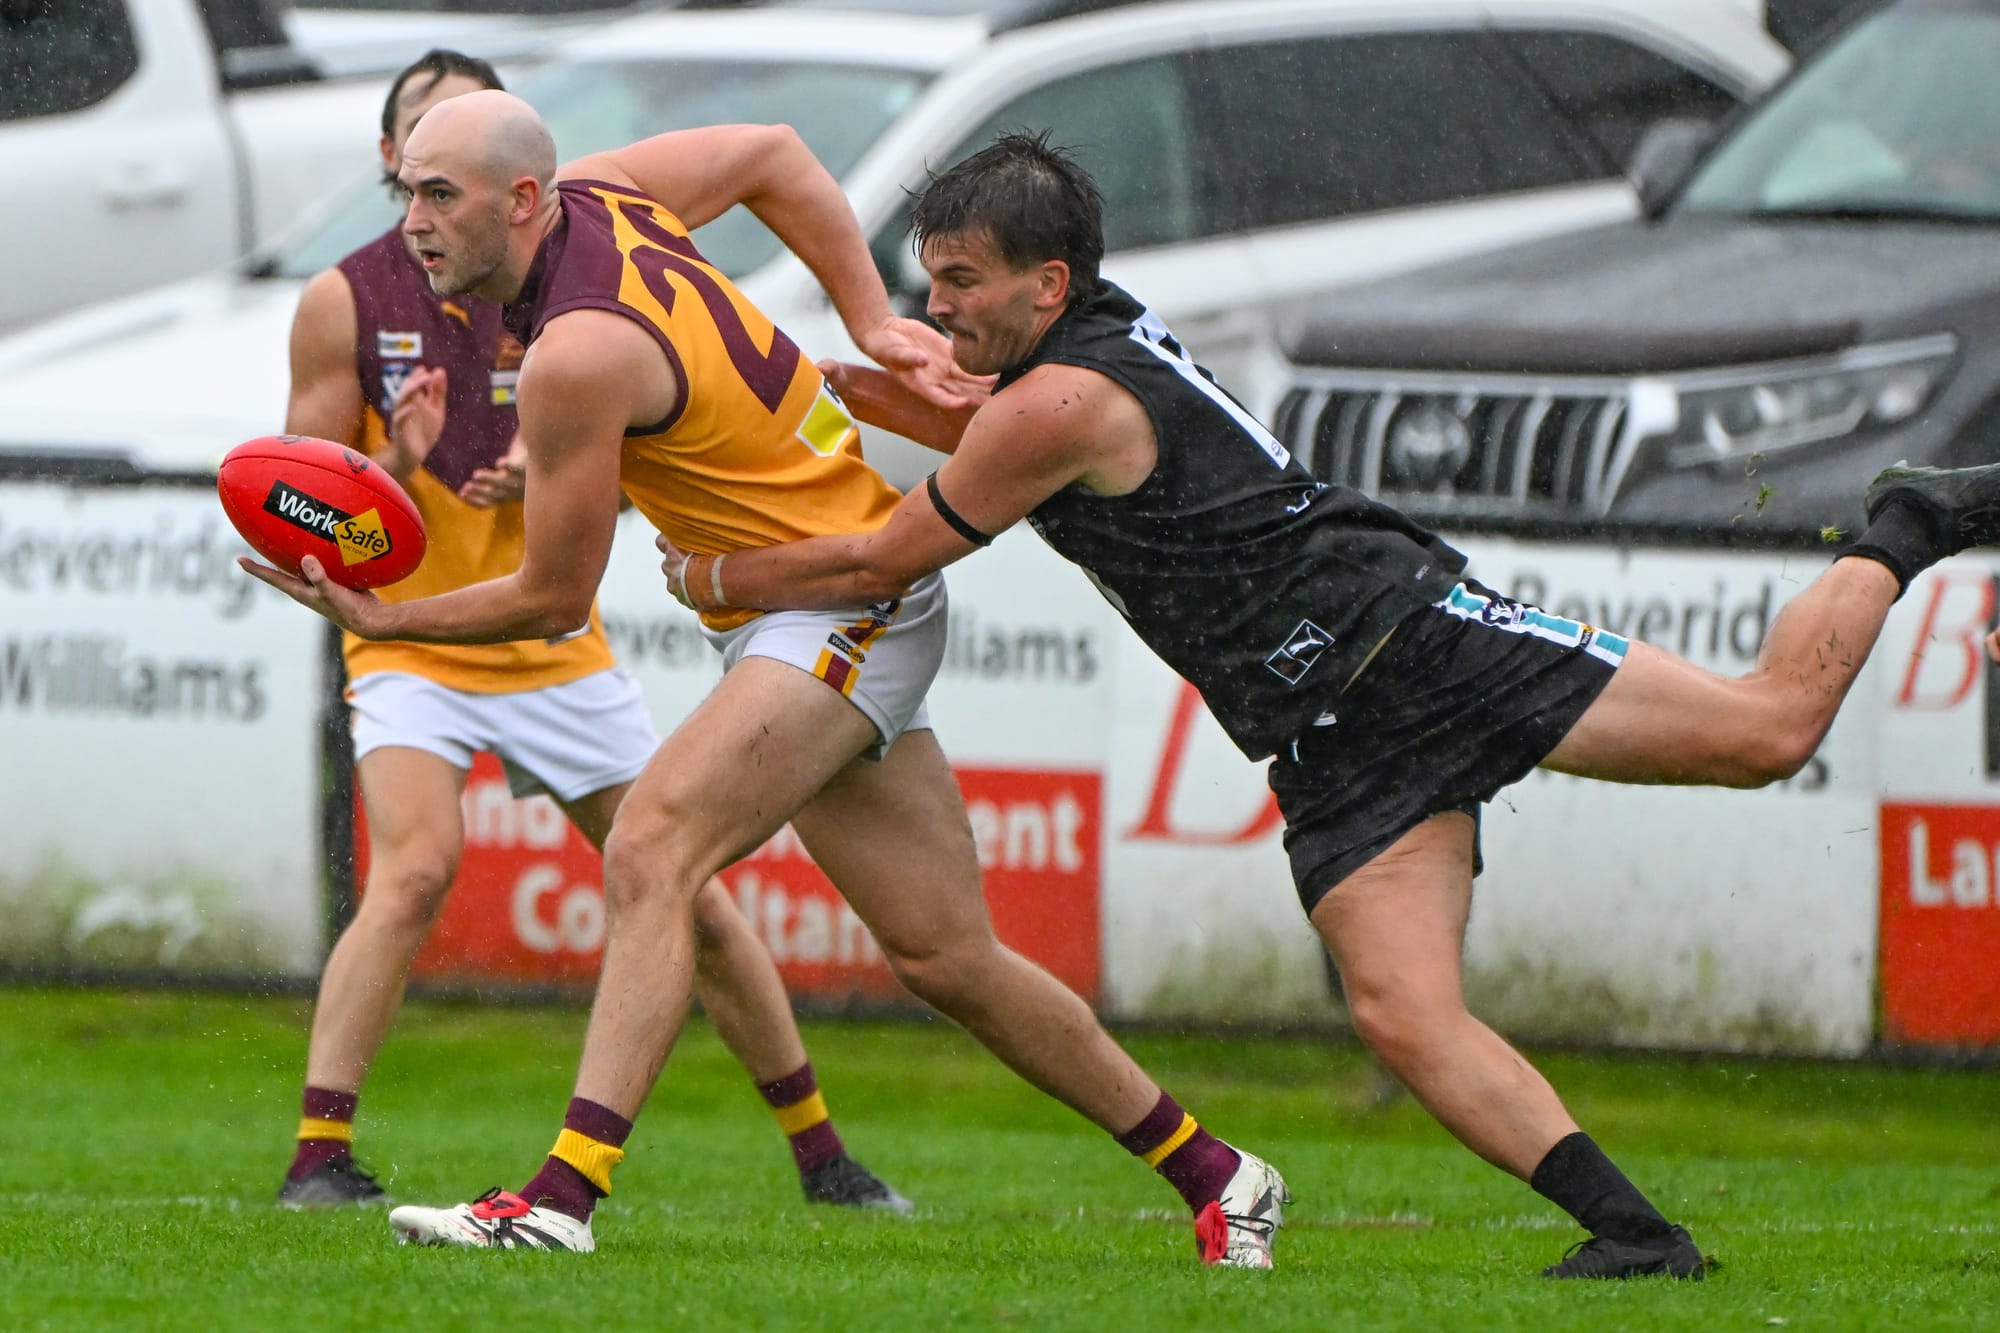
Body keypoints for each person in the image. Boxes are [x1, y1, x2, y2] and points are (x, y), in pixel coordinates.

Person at [656, 131, 2000, 1280]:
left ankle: (1903, 521)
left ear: (1046, 284)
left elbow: (887, 557)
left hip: (1407, 639)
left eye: (960, 283)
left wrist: (720, 574)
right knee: (1404, 1013)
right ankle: (1639, 1239)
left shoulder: (1059, 394)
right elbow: (1014, 440)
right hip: (1329, 735)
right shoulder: (1059, 371)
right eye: (932, 280)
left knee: (1765, 732)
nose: (936, 308)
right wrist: (880, 394)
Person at [241, 93, 1288, 1265]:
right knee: (947, 959)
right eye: (406, 193)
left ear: (524, 199)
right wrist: (870, 318)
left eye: (440, 195)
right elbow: (774, 156)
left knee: (651, 847)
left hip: (835, 604)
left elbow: (552, 599)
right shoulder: (609, 193)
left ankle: (558, 1199)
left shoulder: (575, 354)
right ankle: (1220, 1173)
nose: (413, 224)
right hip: (819, 603)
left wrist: (386, 617)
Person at [274, 52, 908, 1217]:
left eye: (451, 172)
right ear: (389, 157)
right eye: (415, 167)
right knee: (414, 868)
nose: (424, 205)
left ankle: (824, 1157)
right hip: (415, 638)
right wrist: (397, 469)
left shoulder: (571, 271)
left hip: (547, 639)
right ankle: (320, 1156)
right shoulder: (346, 300)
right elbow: (316, 504)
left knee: (687, 891)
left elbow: (591, 527)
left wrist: (561, 481)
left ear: (516, 185)